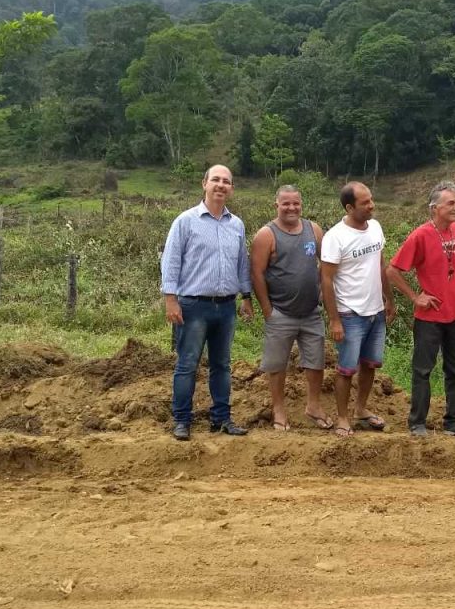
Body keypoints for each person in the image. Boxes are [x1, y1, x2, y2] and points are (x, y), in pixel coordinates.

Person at [161, 164, 254, 440]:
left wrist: (246, 297)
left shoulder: (236, 225)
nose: (221, 185)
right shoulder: (185, 221)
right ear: (204, 184)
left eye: (226, 181)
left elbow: (242, 265)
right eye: (216, 180)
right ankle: (181, 420)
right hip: (193, 305)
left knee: (222, 365)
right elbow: (171, 261)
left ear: (232, 189)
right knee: (188, 363)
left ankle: (221, 419)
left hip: (225, 307)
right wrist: (171, 300)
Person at [387, 181, 455, 438]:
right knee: (423, 370)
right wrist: (415, 297)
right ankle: (417, 424)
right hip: (430, 317)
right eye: (451, 203)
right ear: (434, 208)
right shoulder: (420, 235)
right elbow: (392, 270)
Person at [250, 185, 333, 432]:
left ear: (301, 204)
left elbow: (327, 262)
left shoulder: (313, 229)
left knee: (316, 361)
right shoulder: (266, 235)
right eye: (286, 203)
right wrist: (267, 309)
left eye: (295, 203)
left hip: (311, 312)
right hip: (281, 313)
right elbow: (256, 273)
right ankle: (278, 409)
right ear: (276, 204)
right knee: (277, 364)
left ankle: (314, 406)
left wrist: (320, 287)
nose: (291, 208)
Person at [320, 182, 396, 437]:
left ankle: (361, 409)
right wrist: (334, 320)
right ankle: (342, 417)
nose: (371, 205)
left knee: (370, 365)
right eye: (365, 203)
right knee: (346, 369)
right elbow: (326, 279)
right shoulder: (335, 237)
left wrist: (389, 299)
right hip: (350, 314)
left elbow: (381, 264)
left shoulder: (375, 228)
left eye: (371, 199)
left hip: (375, 312)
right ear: (350, 207)